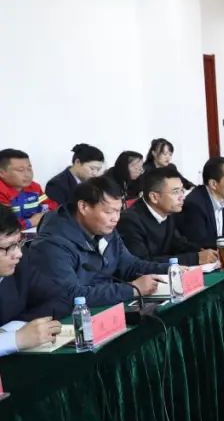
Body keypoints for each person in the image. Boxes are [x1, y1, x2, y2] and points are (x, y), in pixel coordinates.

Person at [20, 176, 168, 318]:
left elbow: (130, 265)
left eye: (118, 211)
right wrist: (131, 289)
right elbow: (71, 295)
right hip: (66, 319)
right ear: (83, 207)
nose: (116, 218)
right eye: (109, 212)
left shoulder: (104, 229)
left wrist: (170, 269)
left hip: (105, 307)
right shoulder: (51, 245)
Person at [117, 166, 217, 266]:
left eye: (182, 190)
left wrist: (202, 251)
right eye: (176, 192)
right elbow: (141, 263)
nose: (182, 197)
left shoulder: (167, 211)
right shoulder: (129, 221)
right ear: (154, 197)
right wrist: (195, 258)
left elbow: (179, 244)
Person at [0, 207, 62, 356]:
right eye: (9, 247)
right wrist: (16, 339)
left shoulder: (19, 266)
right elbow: (18, 338)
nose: (18, 254)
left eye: (19, 243)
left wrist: (10, 329)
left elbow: (58, 298)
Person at [0, 148, 56, 230]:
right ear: (1, 173)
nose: (27, 174)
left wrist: (45, 215)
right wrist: (31, 222)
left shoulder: (35, 188)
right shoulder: (2, 192)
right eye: (20, 170)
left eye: (29, 169)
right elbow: (5, 226)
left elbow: (51, 206)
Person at [46, 143, 105, 208]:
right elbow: (58, 212)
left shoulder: (92, 183)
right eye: (92, 168)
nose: (95, 173)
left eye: (98, 170)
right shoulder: (56, 185)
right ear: (77, 162)